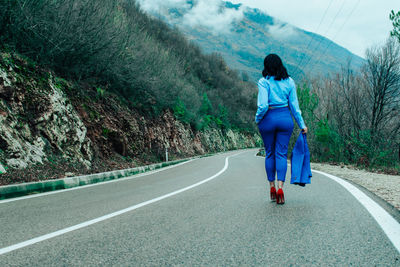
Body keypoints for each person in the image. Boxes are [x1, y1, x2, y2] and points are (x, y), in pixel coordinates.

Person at [255, 54, 307, 204]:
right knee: (281, 154)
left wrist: (258, 119)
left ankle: (271, 187)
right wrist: (302, 125)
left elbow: (263, 105)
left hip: (268, 119)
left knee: (270, 153)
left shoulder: (263, 82)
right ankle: (280, 189)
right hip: (285, 118)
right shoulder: (289, 82)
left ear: (266, 66)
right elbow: (295, 107)